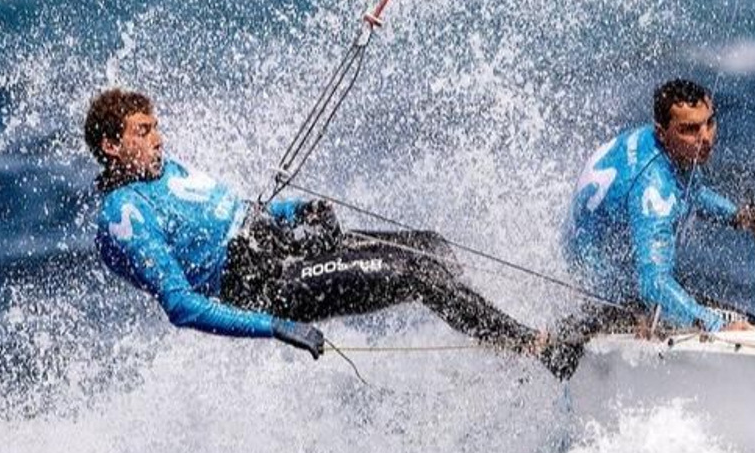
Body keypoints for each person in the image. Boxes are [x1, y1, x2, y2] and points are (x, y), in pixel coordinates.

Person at [85, 88, 552, 364]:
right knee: (415, 275)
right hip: (268, 286)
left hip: (280, 249)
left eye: (155, 127)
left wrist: (297, 212)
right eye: (143, 132)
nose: (158, 139)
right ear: (110, 145)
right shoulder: (124, 217)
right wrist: (275, 325)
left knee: (431, 246)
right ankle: (534, 346)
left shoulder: (167, 170)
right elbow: (182, 306)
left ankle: (499, 335)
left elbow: (232, 213)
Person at [562, 78, 755, 338]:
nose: (705, 137)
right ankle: (597, 329)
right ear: (662, 132)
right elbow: (652, 284)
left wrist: (737, 216)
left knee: (728, 317)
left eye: (709, 123)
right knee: (742, 323)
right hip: (602, 283)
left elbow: (688, 192)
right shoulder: (653, 188)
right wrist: (717, 327)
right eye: (690, 129)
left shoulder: (664, 147)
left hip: (600, 252)